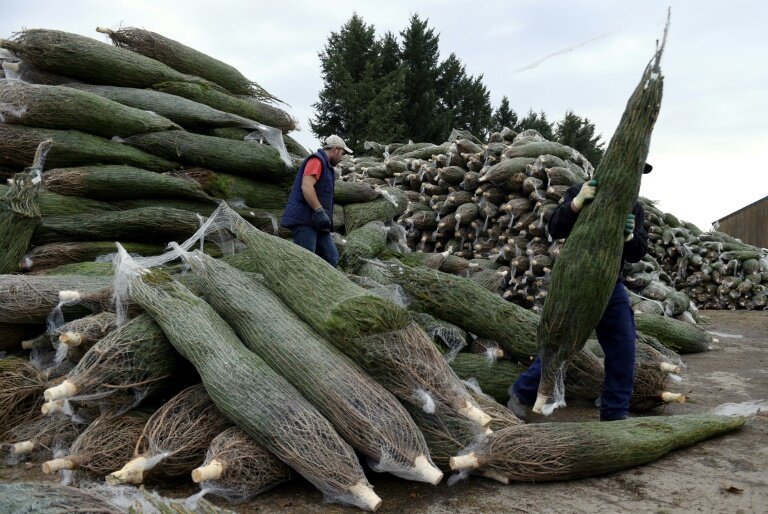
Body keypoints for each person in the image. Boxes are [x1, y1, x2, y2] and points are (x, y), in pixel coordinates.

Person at [509, 163, 652, 421]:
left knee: (623, 348)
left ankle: (615, 413)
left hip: (610, 284)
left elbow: (638, 252)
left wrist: (629, 236)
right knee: (562, 344)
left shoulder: (635, 207)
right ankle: (521, 393)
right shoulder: (583, 190)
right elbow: (554, 228)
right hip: (576, 281)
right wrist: (575, 204)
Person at [280, 135, 352, 267]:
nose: (342, 157)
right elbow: (306, 186)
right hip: (305, 221)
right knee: (306, 262)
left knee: (332, 259)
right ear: (335, 149)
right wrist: (319, 210)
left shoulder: (327, 167)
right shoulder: (316, 161)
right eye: (342, 153)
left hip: (318, 223)